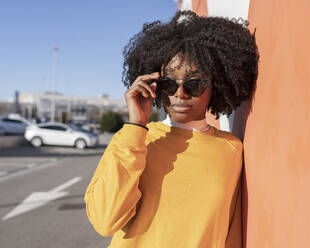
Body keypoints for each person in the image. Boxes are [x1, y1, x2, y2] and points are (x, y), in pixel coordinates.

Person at [84, 10, 259, 248]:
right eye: (168, 84)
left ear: (215, 86)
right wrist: (136, 125)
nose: (180, 94)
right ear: (156, 86)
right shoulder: (134, 141)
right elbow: (105, 220)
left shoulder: (230, 149)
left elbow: (231, 235)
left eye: (194, 84)